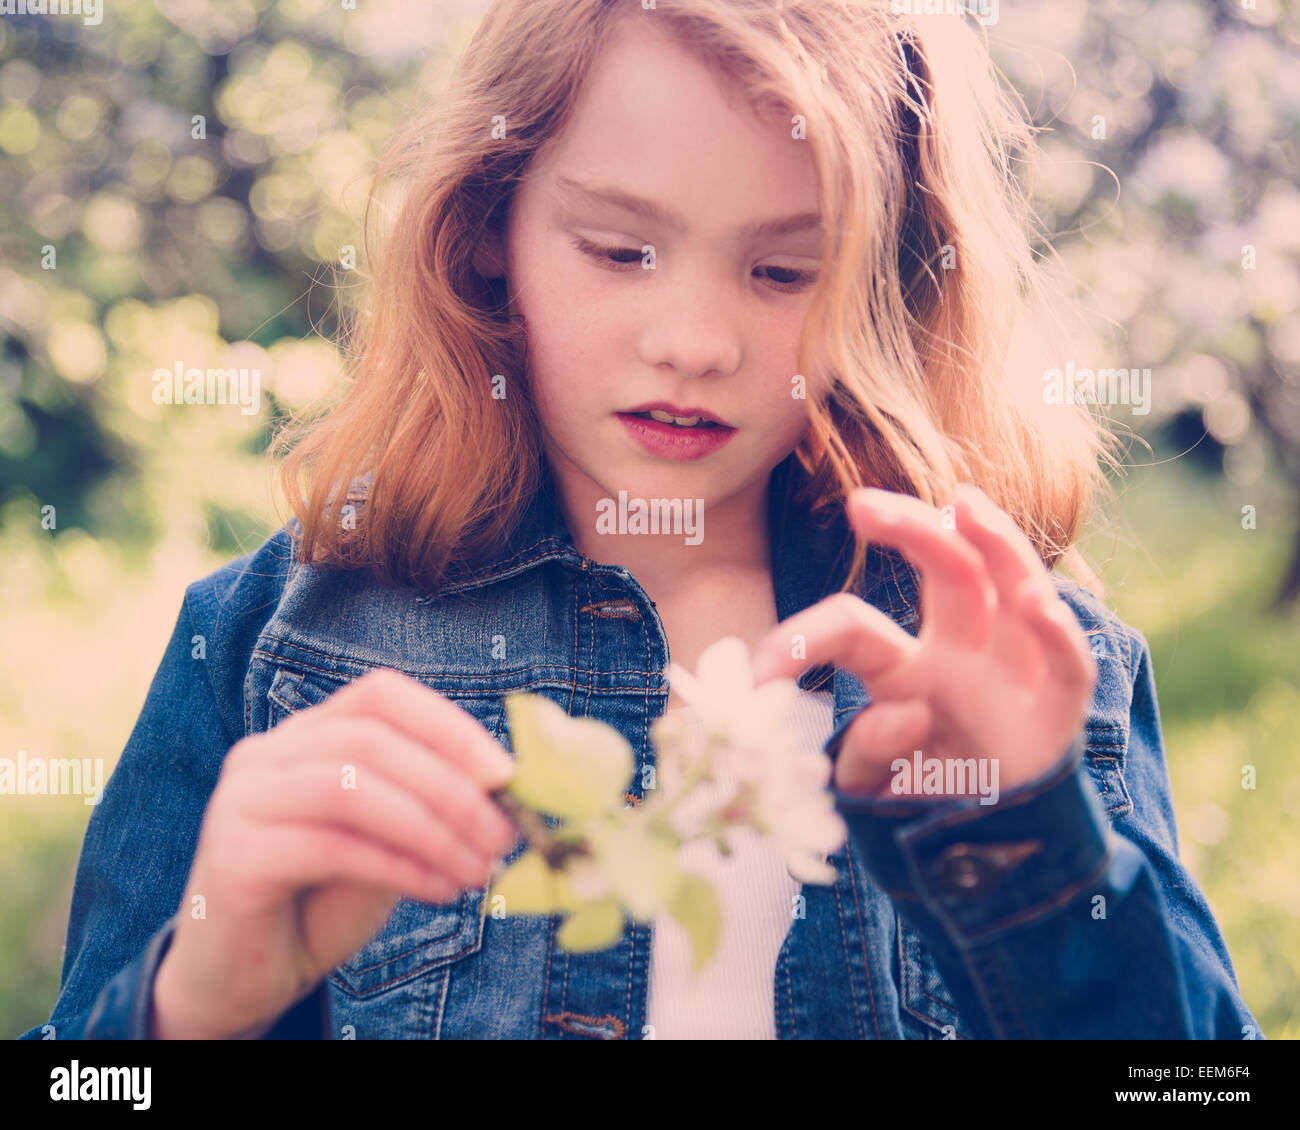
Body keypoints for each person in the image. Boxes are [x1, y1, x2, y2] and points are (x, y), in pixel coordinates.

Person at [21, 0, 1260, 1040]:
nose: (694, 342)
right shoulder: (272, 643)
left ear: (888, 280)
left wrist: (1030, 837)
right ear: (489, 229)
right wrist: (189, 1004)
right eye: (619, 250)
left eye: (785, 271)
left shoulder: (1019, 668)